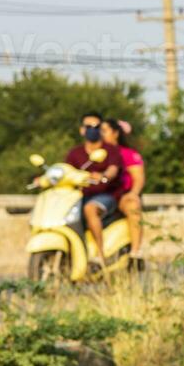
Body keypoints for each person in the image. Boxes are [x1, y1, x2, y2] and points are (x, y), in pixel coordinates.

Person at [65, 112, 124, 270]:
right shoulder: (75, 153)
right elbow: (66, 171)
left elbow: (112, 170)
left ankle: (100, 254)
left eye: (96, 127)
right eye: (88, 126)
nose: (92, 130)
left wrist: (104, 176)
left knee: (90, 208)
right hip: (80, 195)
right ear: (82, 130)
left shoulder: (110, 150)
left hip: (105, 196)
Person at [101, 119, 146, 262]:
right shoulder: (93, 152)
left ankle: (135, 252)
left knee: (133, 207)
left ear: (116, 133)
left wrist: (133, 194)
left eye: (104, 131)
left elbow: (138, 177)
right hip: (98, 196)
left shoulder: (127, 153)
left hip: (121, 197)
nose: (100, 134)